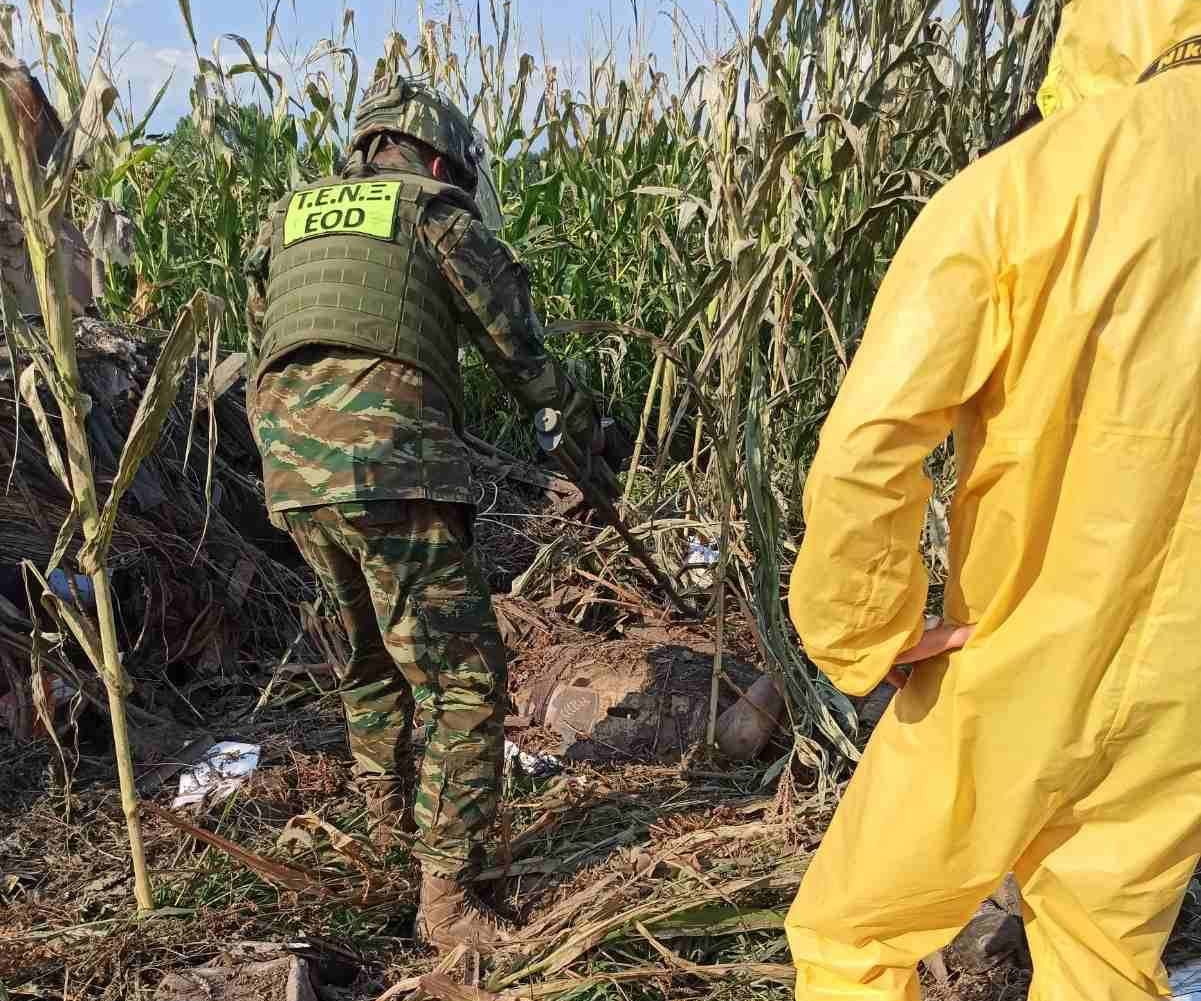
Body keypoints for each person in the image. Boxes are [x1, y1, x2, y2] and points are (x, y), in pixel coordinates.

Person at [784, 3, 1201, 999]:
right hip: (1186, 689)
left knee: (854, 936)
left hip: (1014, 653)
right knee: (1105, 953)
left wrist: (866, 629)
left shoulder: (1030, 182)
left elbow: (872, 438)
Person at [242, 76, 603, 954]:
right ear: (440, 159)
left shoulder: (284, 221)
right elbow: (518, 352)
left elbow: (267, 341)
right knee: (461, 681)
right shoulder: (435, 215)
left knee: (370, 663)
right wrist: (580, 437)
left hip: (293, 477)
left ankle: (383, 841)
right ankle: (448, 900)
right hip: (391, 467)